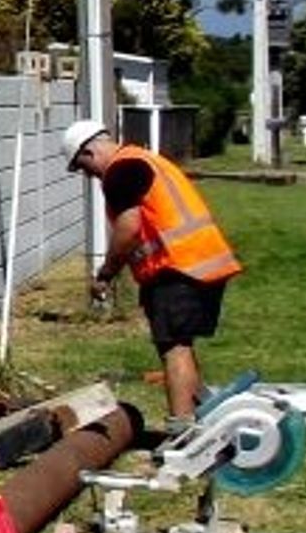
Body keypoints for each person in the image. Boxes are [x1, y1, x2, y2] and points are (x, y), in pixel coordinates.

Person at [64, 118, 241, 429]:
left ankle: (182, 431)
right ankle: (201, 419)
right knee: (180, 345)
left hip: (178, 267)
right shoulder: (144, 159)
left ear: (89, 152)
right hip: (202, 261)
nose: (87, 175)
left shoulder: (120, 171)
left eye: (81, 167)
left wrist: (106, 273)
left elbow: (129, 228)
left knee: (174, 348)